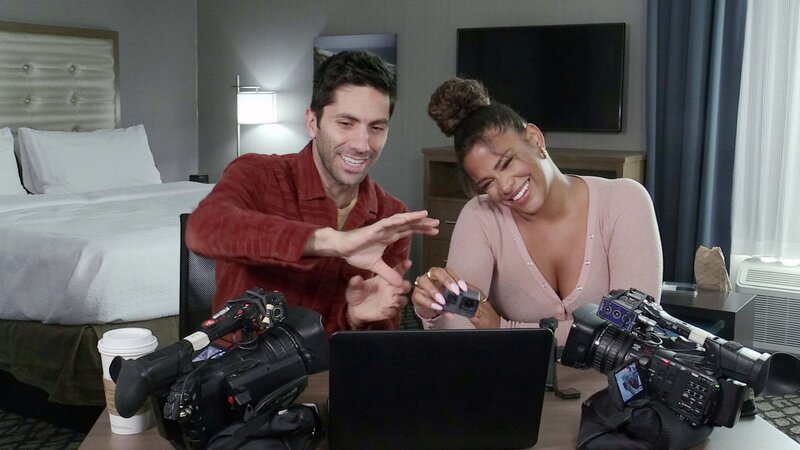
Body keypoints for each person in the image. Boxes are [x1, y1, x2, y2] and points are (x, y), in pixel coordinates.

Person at [186, 51, 439, 336]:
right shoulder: (258, 173)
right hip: (240, 361)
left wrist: (355, 319)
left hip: (329, 363)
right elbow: (203, 228)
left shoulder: (391, 216)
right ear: (311, 122)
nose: (362, 144)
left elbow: (378, 341)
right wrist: (332, 242)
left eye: (377, 128)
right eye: (346, 123)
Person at [412, 77, 662, 342]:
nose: (505, 186)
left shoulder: (624, 201)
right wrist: (433, 310)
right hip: (514, 371)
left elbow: (632, 327)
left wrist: (503, 328)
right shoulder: (481, 215)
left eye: (507, 163)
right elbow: (462, 330)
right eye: (488, 183)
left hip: (614, 374)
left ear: (534, 139)